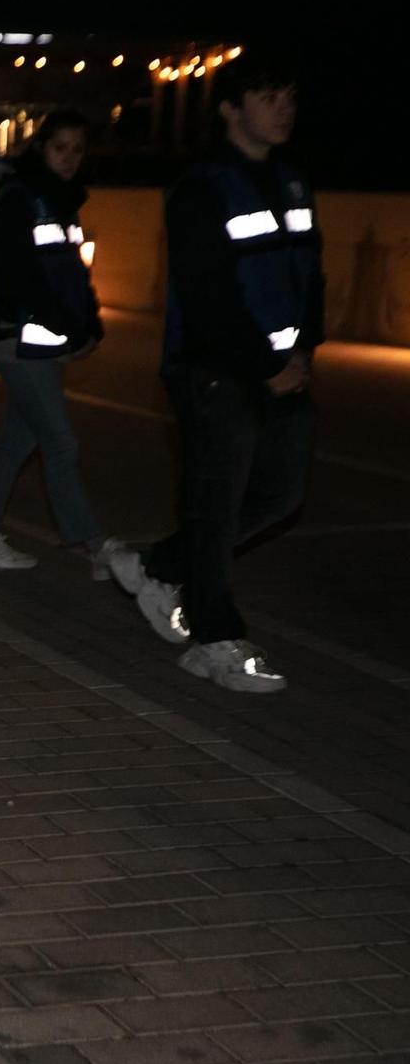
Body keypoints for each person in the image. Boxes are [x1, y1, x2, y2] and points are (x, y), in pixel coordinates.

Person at [109, 54, 318, 693]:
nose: (283, 108)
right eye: (267, 96)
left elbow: (312, 276)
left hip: (286, 372)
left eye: (288, 95)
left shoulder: (291, 182)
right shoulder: (202, 188)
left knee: (281, 494)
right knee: (216, 507)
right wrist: (263, 364)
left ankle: (155, 564)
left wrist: (306, 349)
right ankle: (214, 638)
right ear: (230, 108)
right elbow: (207, 295)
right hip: (216, 374)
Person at [0, 110, 122, 575]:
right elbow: (20, 279)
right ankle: (94, 546)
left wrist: (91, 323)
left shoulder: (59, 201)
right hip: (19, 342)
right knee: (61, 443)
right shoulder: (18, 198)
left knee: (18, 438)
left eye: (77, 150)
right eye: (59, 148)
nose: (69, 158)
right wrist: (72, 325)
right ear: (40, 148)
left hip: (46, 344)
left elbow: (72, 272)